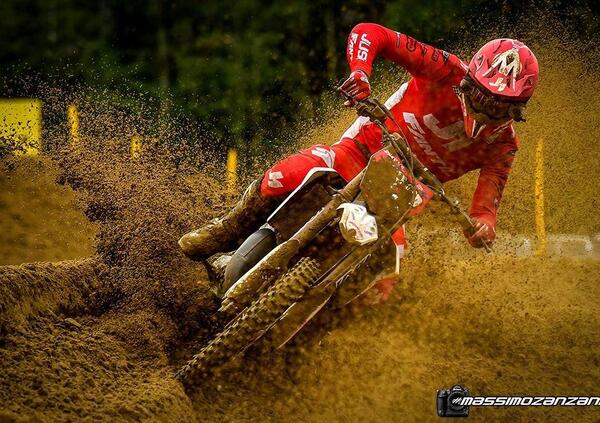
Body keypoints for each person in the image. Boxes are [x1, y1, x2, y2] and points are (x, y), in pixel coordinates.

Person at [179, 22, 539, 276]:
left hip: (398, 201)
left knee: (389, 269)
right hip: (357, 153)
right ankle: (226, 230)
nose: (486, 111)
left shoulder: (504, 146)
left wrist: (483, 227)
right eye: (482, 98)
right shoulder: (445, 69)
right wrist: (360, 73)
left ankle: (327, 332)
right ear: (468, 83)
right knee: (283, 176)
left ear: (517, 110)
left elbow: (485, 209)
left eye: (500, 107)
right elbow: (371, 32)